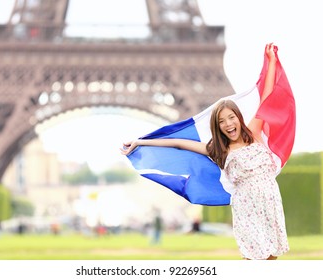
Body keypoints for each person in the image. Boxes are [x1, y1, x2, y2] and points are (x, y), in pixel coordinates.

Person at [121, 43, 289, 260]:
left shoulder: (255, 133)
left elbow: (267, 99)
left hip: (269, 200)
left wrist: (272, 63)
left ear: (239, 118)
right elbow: (179, 144)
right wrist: (142, 142)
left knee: (271, 258)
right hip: (246, 206)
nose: (228, 124)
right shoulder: (219, 150)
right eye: (221, 121)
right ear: (217, 126)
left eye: (231, 117)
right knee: (254, 257)